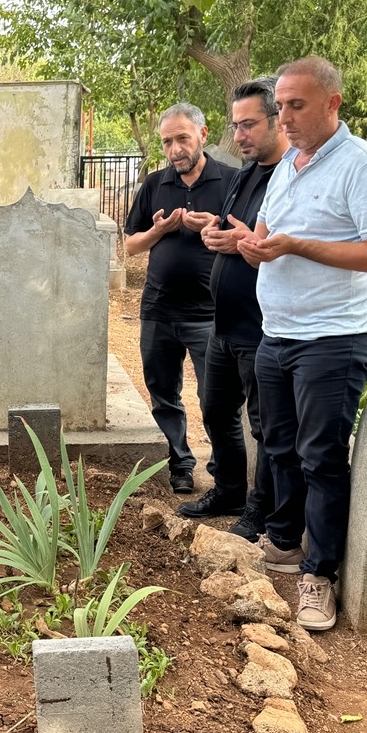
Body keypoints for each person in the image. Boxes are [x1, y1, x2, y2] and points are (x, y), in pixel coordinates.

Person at [234, 56, 367, 632]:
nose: (284, 117)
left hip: (334, 337)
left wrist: (297, 247)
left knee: (321, 457)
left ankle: (318, 574)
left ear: (333, 103)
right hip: (278, 333)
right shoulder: (290, 166)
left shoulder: (360, 166)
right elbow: (270, 235)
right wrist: (242, 244)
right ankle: (282, 542)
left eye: (296, 105)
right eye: (280, 106)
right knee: (277, 443)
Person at [179, 77, 288, 540]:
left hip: (261, 326)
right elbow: (238, 233)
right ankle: (228, 490)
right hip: (222, 324)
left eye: (248, 125)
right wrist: (214, 231)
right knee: (216, 409)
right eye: (235, 125)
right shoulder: (247, 173)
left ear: (278, 119)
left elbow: (277, 245)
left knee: (265, 426)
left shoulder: (290, 177)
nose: (239, 135)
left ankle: (260, 510)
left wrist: (245, 241)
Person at [124, 103, 235, 494]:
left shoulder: (232, 181)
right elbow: (130, 245)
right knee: (163, 392)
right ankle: (180, 463)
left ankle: (224, 471)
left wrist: (217, 226)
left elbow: (252, 234)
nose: (175, 149)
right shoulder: (155, 184)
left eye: (182, 138)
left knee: (216, 398)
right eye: (167, 141)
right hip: (159, 309)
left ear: (203, 135)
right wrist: (160, 230)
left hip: (211, 314)